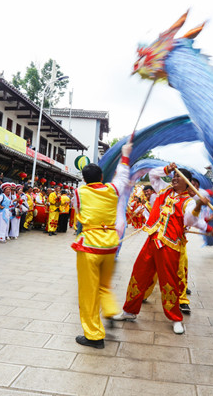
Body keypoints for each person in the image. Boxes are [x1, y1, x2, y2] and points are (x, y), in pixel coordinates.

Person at [113, 162, 213, 334]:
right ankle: (129, 311)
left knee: (169, 282)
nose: (175, 178)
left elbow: (190, 221)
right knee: (138, 275)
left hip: (170, 245)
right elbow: (153, 176)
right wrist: (167, 169)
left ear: (187, 183)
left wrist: (200, 206)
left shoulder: (189, 201)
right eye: (174, 176)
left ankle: (175, 318)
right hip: (152, 240)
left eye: (179, 177)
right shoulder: (163, 189)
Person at [71, 142, 132, 349]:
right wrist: (125, 155)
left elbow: (77, 213)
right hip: (110, 245)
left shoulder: (79, 193)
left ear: (84, 179)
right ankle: (110, 310)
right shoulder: (113, 189)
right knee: (104, 286)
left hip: (90, 246)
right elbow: (122, 176)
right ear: (101, 177)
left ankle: (94, 335)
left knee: (88, 292)